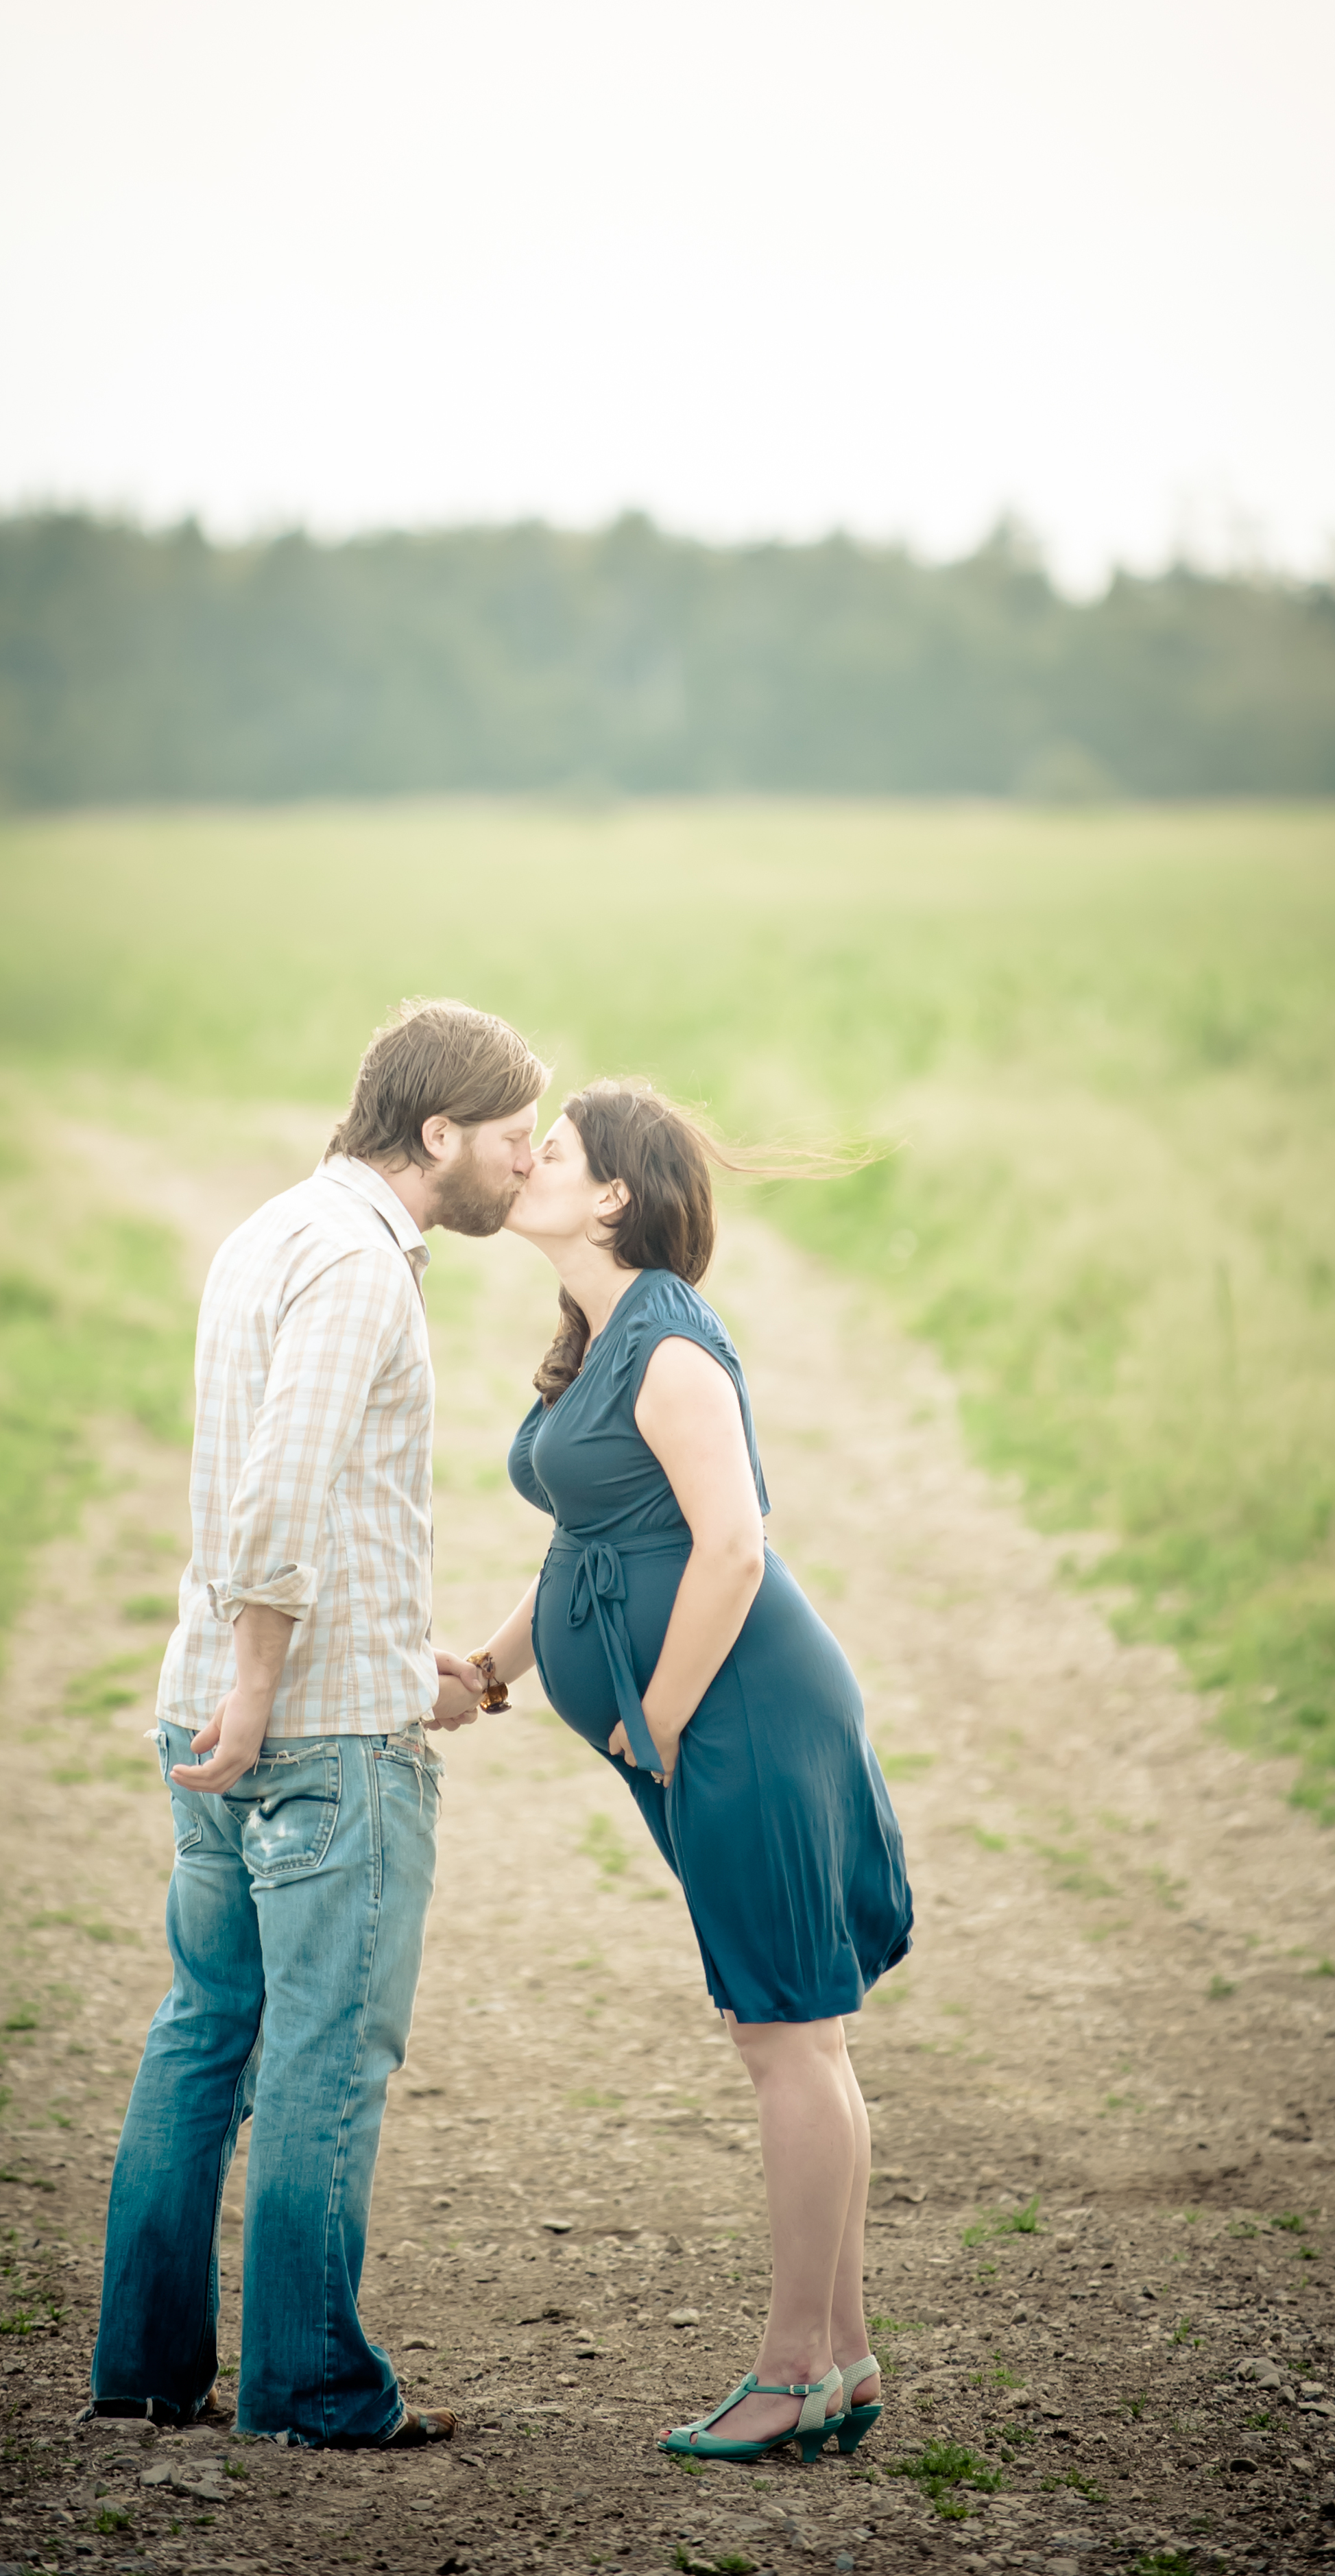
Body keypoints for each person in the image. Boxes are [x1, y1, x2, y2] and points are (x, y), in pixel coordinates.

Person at [86, 998, 548, 2448]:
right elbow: (279, 1497)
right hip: (303, 1736)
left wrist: (425, 1669)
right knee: (322, 2052)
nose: (524, 1168)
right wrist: (267, 1684)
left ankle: (146, 2372)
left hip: (236, 1703)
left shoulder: (275, 1229)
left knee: (204, 2028)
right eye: (512, 1139)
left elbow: (317, 1518)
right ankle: (311, 2386)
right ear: (435, 1132)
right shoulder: (362, 1266)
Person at [470, 1080, 913, 2465]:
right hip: (703, 1724)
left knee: (784, 2032)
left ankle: (793, 2367)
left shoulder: (665, 1345)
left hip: (750, 1717)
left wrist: (655, 1718)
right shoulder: (593, 1338)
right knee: (792, 2034)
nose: (525, 1163)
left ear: (610, 1195)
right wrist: (487, 1670)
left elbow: (731, 1548)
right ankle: (837, 2360)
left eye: (549, 1150)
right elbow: (587, 1549)